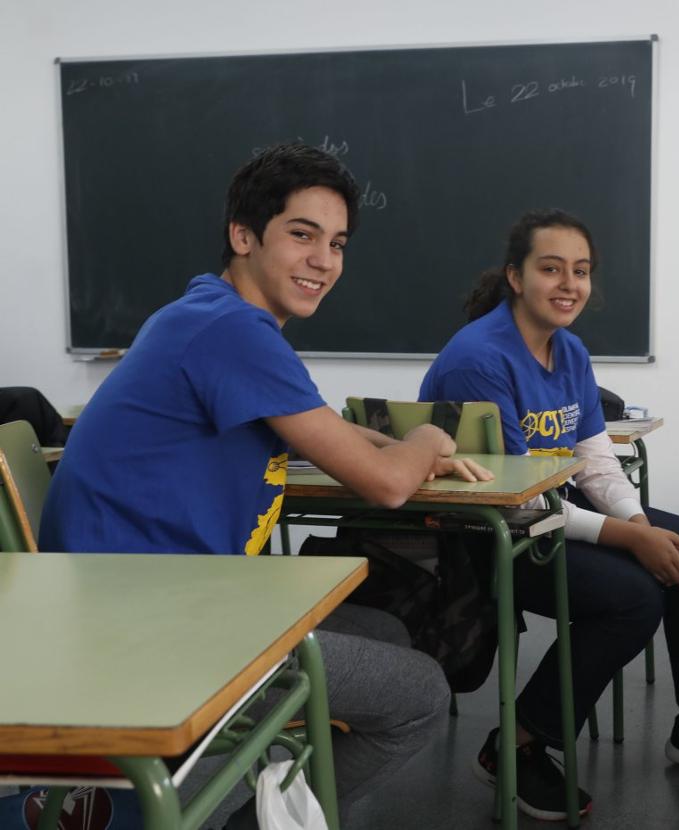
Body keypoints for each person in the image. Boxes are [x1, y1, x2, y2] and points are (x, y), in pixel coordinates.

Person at [39, 143, 493, 828]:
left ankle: (258, 789)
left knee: (386, 630)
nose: (324, 261)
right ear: (243, 236)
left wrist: (400, 447)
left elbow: (319, 429)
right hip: (148, 632)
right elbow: (386, 487)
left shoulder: (210, 313)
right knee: (421, 694)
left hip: (159, 603)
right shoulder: (231, 331)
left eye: (337, 243)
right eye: (302, 235)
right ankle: (238, 818)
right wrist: (427, 441)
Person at [420, 208, 679, 821]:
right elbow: (518, 500)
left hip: (548, 513)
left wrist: (641, 528)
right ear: (516, 277)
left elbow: (593, 458)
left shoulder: (567, 349)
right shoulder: (478, 359)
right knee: (632, 596)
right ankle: (514, 747)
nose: (569, 284)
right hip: (488, 532)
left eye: (581, 271)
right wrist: (629, 539)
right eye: (551, 269)